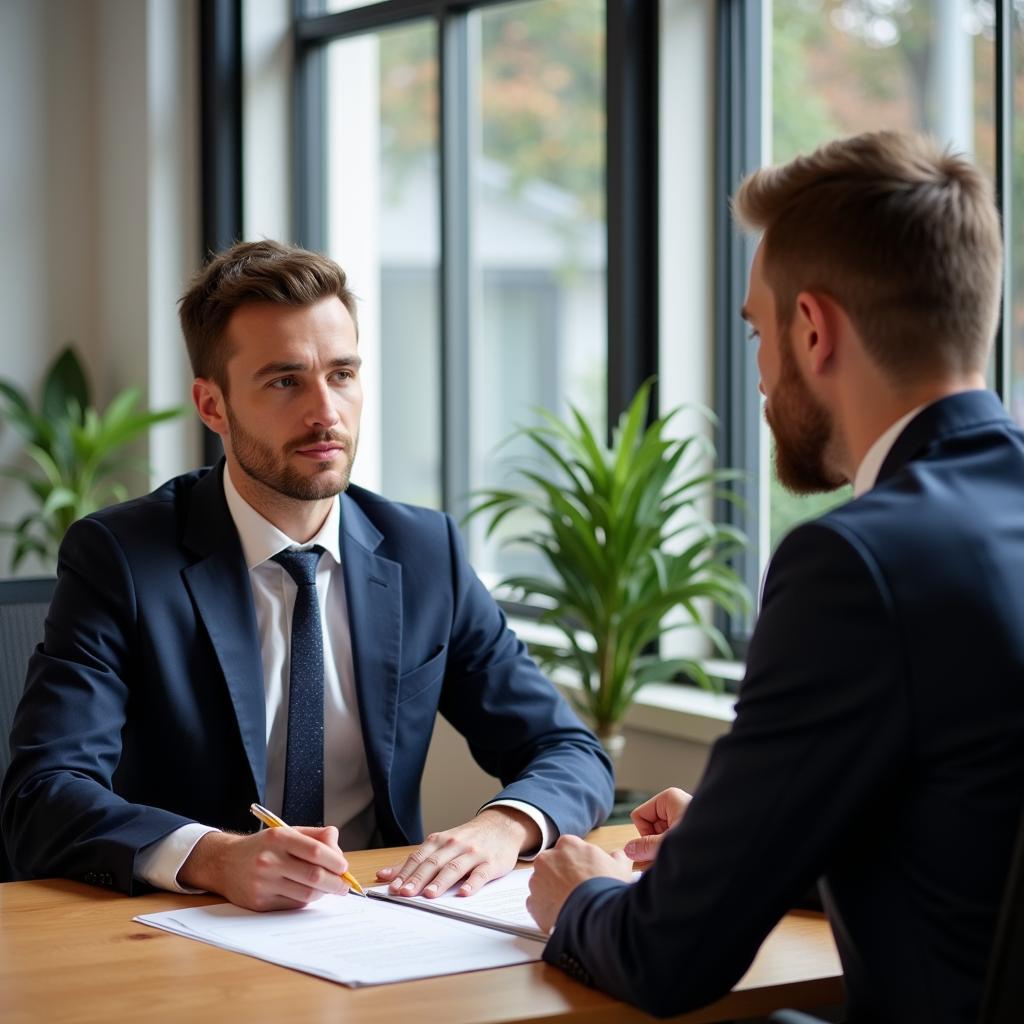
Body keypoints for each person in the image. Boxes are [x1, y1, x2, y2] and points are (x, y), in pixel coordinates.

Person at [526, 130, 1024, 1023]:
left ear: (813, 328)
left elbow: (668, 958)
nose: (760, 372)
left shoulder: (857, 564)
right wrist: (744, 839)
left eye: (759, 330)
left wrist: (579, 897)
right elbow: (975, 845)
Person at [1, 239, 613, 911]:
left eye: (343, 375)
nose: (327, 413)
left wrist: (505, 826)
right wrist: (216, 858)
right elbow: (44, 792)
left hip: (383, 917)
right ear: (212, 406)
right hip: (188, 926)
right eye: (285, 381)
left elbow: (565, 748)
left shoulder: (422, 551)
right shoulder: (121, 556)